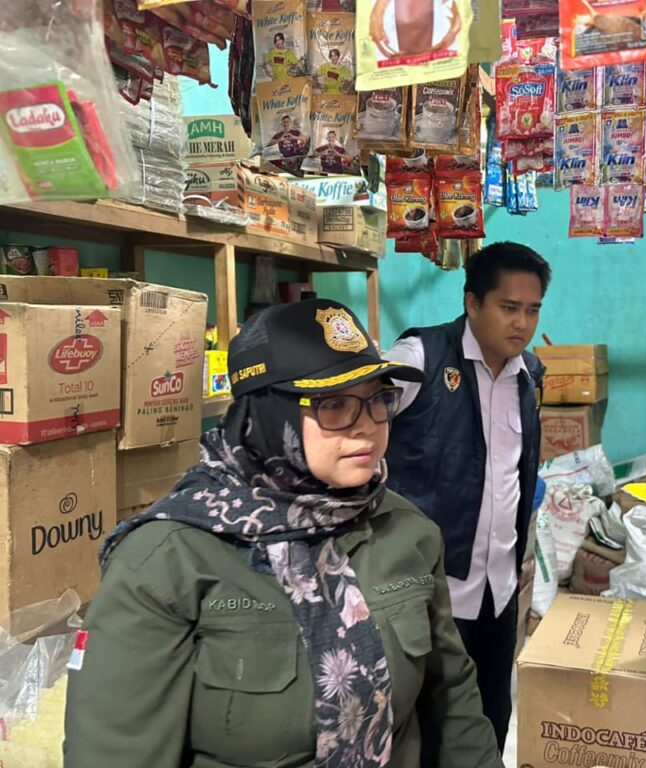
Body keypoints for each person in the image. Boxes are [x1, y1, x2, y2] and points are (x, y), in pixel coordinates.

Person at [64, 299, 504, 768]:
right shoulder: (168, 560)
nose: (367, 428)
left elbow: (452, 701)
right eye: (335, 405)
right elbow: (116, 753)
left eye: (378, 400)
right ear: (269, 415)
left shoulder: (406, 532)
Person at [384, 241, 551, 751]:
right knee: (425, 731)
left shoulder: (528, 376)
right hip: (430, 593)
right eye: (509, 307)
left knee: (489, 721)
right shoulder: (420, 358)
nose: (521, 323)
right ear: (472, 302)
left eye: (532, 310)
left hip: (498, 590)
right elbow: (356, 422)